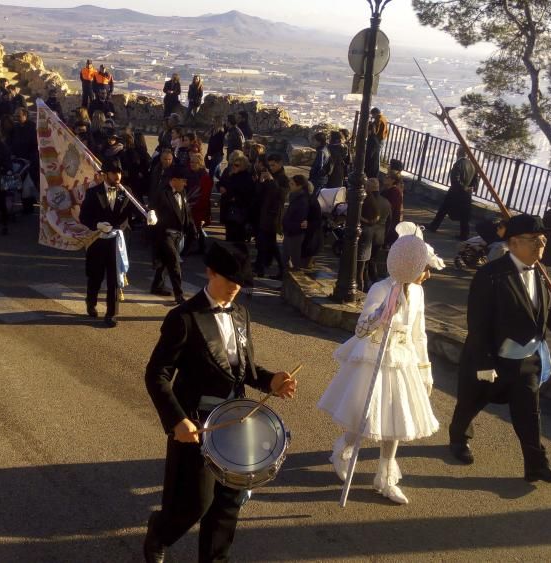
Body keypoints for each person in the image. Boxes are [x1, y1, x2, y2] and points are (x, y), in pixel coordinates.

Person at [143, 241, 298, 563]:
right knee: (194, 504)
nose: (234, 290)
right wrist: (176, 420)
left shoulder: (241, 313)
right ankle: (160, 531)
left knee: (229, 502)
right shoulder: (183, 318)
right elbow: (156, 375)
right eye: (228, 282)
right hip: (197, 423)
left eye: (239, 284)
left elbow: (244, 370)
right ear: (210, 272)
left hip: (236, 421)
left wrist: (270, 380)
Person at [447, 214, 551, 482]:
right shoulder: (490, 275)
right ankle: (458, 439)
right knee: (470, 403)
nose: (540, 245)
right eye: (534, 240)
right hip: (491, 357)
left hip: (526, 360)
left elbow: (549, 311)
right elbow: (478, 322)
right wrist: (484, 363)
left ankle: (536, 466)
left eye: (543, 240)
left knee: (529, 414)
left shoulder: (540, 272)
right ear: (513, 243)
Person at [319, 229, 445, 504]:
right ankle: (344, 449)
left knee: (396, 418)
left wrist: (425, 369)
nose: (428, 275)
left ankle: (385, 477)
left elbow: (419, 333)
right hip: (375, 355)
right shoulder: (380, 289)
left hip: (403, 359)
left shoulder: (419, 294)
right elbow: (361, 329)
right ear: (409, 265)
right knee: (365, 416)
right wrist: (383, 313)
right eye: (425, 269)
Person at [80, 160, 157, 327]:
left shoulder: (126, 192)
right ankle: (91, 302)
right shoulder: (94, 193)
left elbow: (138, 208)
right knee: (95, 276)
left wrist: (149, 213)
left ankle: (111, 313)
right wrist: (97, 225)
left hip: (117, 242)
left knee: (114, 278)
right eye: (114, 173)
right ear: (105, 174)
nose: (118, 176)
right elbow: (84, 216)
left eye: (120, 172)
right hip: (98, 241)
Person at [149, 165, 196, 304]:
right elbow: (152, 210)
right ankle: (179, 295)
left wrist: (193, 229)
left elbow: (186, 212)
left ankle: (157, 286)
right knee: (174, 262)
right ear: (174, 180)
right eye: (183, 180)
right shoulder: (162, 193)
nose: (185, 183)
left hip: (178, 234)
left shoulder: (182, 192)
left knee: (164, 262)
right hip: (164, 234)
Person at [427, 147, 478, 240]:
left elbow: (455, 180)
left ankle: (434, 226)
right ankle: (464, 234)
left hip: (455, 193)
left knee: (443, 209)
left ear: (458, 153)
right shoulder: (473, 165)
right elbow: (476, 181)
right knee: (464, 216)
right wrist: (471, 188)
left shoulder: (458, 164)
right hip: (466, 196)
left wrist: (464, 188)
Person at [252, 158, 283, 279]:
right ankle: (260, 267)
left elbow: (280, 196)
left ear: (280, 164)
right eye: (270, 165)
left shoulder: (282, 179)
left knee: (272, 245)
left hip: (272, 218)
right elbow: (259, 194)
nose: (271, 168)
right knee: (262, 243)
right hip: (264, 216)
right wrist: (261, 181)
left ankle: (281, 268)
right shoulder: (268, 177)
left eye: (273, 165)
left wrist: (271, 181)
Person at [218, 154, 254, 243]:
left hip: (239, 210)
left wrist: (235, 198)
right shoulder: (232, 175)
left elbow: (248, 195)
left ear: (243, 166)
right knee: (229, 235)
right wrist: (221, 187)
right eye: (234, 164)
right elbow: (221, 182)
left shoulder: (246, 178)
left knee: (237, 237)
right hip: (229, 209)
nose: (234, 167)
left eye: (237, 165)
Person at [364, 178, 391, 289]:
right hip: (380, 235)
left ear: (370, 188)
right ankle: (374, 281)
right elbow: (389, 221)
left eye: (366, 186)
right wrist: (385, 235)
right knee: (372, 259)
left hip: (368, 234)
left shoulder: (367, 200)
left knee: (364, 260)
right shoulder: (386, 202)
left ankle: (366, 284)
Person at [281, 173, 310, 273]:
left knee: (294, 260)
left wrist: (292, 226)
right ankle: (283, 277)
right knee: (285, 257)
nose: (290, 185)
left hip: (295, 233)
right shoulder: (295, 196)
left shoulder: (302, 200)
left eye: (292, 184)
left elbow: (300, 219)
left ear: (299, 186)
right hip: (289, 231)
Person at [184, 153, 212, 255]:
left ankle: (186, 249)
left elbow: (205, 195)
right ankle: (202, 248)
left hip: (199, 207)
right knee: (196, 228)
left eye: (194, 162)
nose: (191, 164)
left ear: (200, 163)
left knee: (194, 228)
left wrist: (195, 205)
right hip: (189, 205)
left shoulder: (204, 177)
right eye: (191, 162)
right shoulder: (188, 174)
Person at [380, 161, 404, 248]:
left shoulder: (394, 191)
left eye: (387, 177)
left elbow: (390, 208)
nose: (385, 177)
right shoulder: (394, 187)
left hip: (390, 221)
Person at [364, 107, 388, 179]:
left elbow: (375, 132)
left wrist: (371, 127)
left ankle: (374, 172)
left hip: (377, 140)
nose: (372, 117)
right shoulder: (384, 118)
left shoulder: (378, 120)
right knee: (376, 156)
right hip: (381, 139)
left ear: (375, 113)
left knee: (375, 157)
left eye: (372, 115)